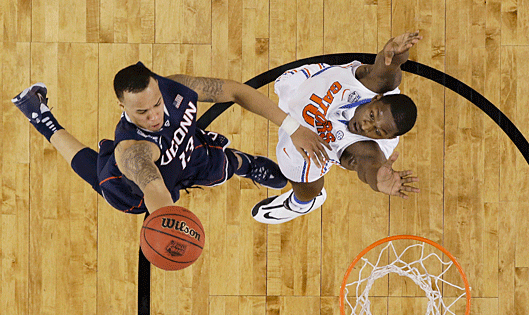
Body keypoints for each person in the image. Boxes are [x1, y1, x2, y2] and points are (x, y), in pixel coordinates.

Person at [12, 62, 314, 214]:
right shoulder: (132, 151)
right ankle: (42, 119)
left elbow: (236, 91)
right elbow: (156, 192)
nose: (154, 115)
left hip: (187, 153)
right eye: (142, 112)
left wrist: (293, 127)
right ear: (123, 108)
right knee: (101, 181)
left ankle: (248, 165)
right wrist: (171, 222)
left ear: (160, 88)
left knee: (228, 164)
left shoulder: (176, 88)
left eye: (156, 104)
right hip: (137, 189)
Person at [251, 31, 422, 224]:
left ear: (384, 139)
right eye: (372, 115)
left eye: (377, 132)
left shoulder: (367, 150)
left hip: (310, 143)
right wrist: (396, 53)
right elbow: (388, 67)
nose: (366, 126)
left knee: (299, 170)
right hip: (309, 85)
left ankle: (301, 204)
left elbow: (368, 167)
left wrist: (376, 180)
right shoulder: (376, 84)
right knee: (282, 83)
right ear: (376, 98)